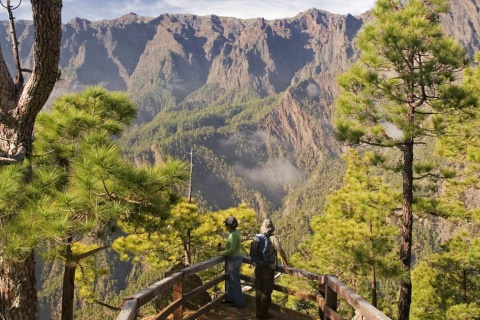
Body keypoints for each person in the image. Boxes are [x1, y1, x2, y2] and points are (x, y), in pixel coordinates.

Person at [254, 219, 289, 320]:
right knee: (266, 292)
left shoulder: (258, 237)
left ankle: (258, 313)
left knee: (259, 291)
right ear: (271, 228)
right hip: (268, 269)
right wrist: (286, 263)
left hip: (258, 268)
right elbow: (280, 251)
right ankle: (263, 315)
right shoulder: (273, 238)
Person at [220, 216, 246, 308]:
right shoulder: (234, 233)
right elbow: (231, 247)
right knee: (231, 280)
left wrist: (222, 254)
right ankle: (231, 299)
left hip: (234, 259)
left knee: (235, 281)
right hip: (233, 259)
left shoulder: (234, 235)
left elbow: (232, 249)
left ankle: (239, 302)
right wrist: (223, 248)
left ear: (230, 225)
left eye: (226, 224)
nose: (225, 226)